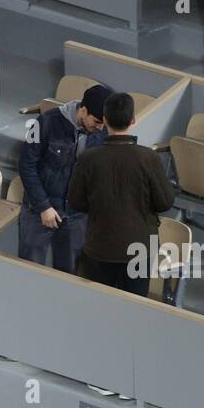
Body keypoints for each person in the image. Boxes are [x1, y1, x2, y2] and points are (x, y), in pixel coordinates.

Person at [67, 91, 176, 296]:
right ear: (133, 120)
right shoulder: (148, 158)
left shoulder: (88, 158)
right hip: (139, 249)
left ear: (105, 120)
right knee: (134, 310)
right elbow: (165, 202)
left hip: (99, 246)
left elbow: (76, 202)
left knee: (98, 306)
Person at [17, 84, 110, 274]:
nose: (100, 127)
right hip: (38, 214)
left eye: (104, 123)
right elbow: (26, 165)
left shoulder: (102, 132)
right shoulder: (44, 122)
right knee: (29, 272)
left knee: (71, 275)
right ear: (83, 110)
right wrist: (43, 206)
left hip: (76, 217)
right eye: (97, 121)